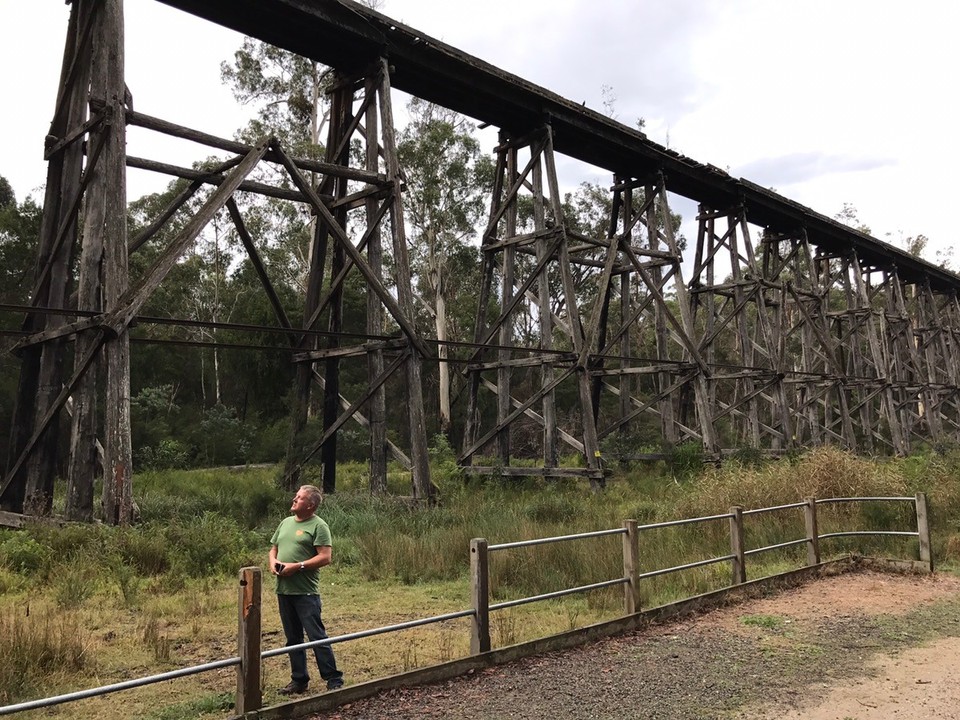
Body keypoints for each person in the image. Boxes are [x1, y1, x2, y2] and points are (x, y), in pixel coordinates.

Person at [269, 484, 344, 695]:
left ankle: (333, 678)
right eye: (295, 496)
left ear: (310, 505)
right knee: (293, 639)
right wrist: (273, 562)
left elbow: (325, 557)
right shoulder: (285, 523)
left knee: (316, 635)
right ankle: (299, 680)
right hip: (284, 590)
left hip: (305, 593)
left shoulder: (319, 526)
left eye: (299, 498)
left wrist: (298, 566)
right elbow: (273, 547)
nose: (294, 499)